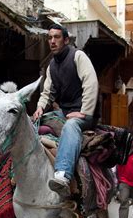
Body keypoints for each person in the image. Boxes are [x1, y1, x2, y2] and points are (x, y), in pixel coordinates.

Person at [32, 24, 99, 198]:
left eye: (57, 37)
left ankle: (62, 175)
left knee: (71, 126)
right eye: (50, 38)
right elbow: (47, 92)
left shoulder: (78, 56)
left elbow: (90, 84)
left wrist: (84, 112)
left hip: (84, 114)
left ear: (66, 40)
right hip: (64, 112)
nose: (52, 41)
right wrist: (39, 108)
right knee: (37, 122)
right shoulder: (51, 66)